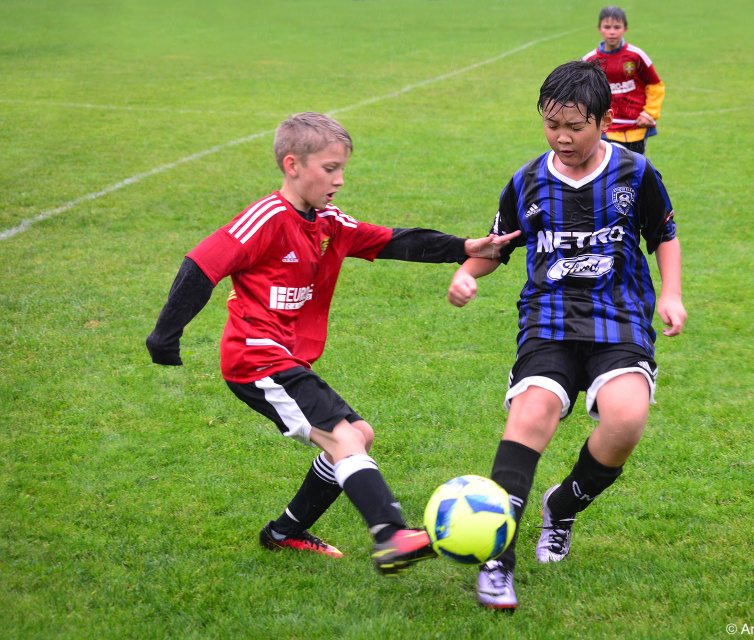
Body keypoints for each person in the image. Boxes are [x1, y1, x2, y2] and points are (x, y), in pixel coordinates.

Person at [146, 112, 517, 575]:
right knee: (343, 437)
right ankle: (390, 534)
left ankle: (284, 531)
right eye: (329, 169)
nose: (340, 179)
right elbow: (201, 266)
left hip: (282, 357)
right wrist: (165, 337)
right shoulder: (265, 219)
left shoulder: (327, 222)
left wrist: (464, 247)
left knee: (358, 436)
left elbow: (391, 241)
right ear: (292, 165)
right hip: (254, 357)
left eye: (343, 168)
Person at [447, 61, 686, 609]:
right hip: (549, 317)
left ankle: (564, 505)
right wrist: (466, 272)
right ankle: (496, 562)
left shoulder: (635, 174)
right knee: (530, 416)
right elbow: (497, 247)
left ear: (603, 121)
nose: (562, 137)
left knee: (626, 419)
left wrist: (670, 293)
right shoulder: (527, 180)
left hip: (619, 316)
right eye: (552, 124)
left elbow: (664, 234)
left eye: (575, 126)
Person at [582, 6, 665, 155]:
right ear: (599, 28)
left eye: (617, 27)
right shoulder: (589, 61)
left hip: (636, 127)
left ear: (625, 29)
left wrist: (649, 114)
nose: (612, 31)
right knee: (609, 171)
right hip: (606, 128)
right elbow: (583, 93)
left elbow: (655, 86)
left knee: (634, 171)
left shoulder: (636, 56)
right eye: (607, 27)